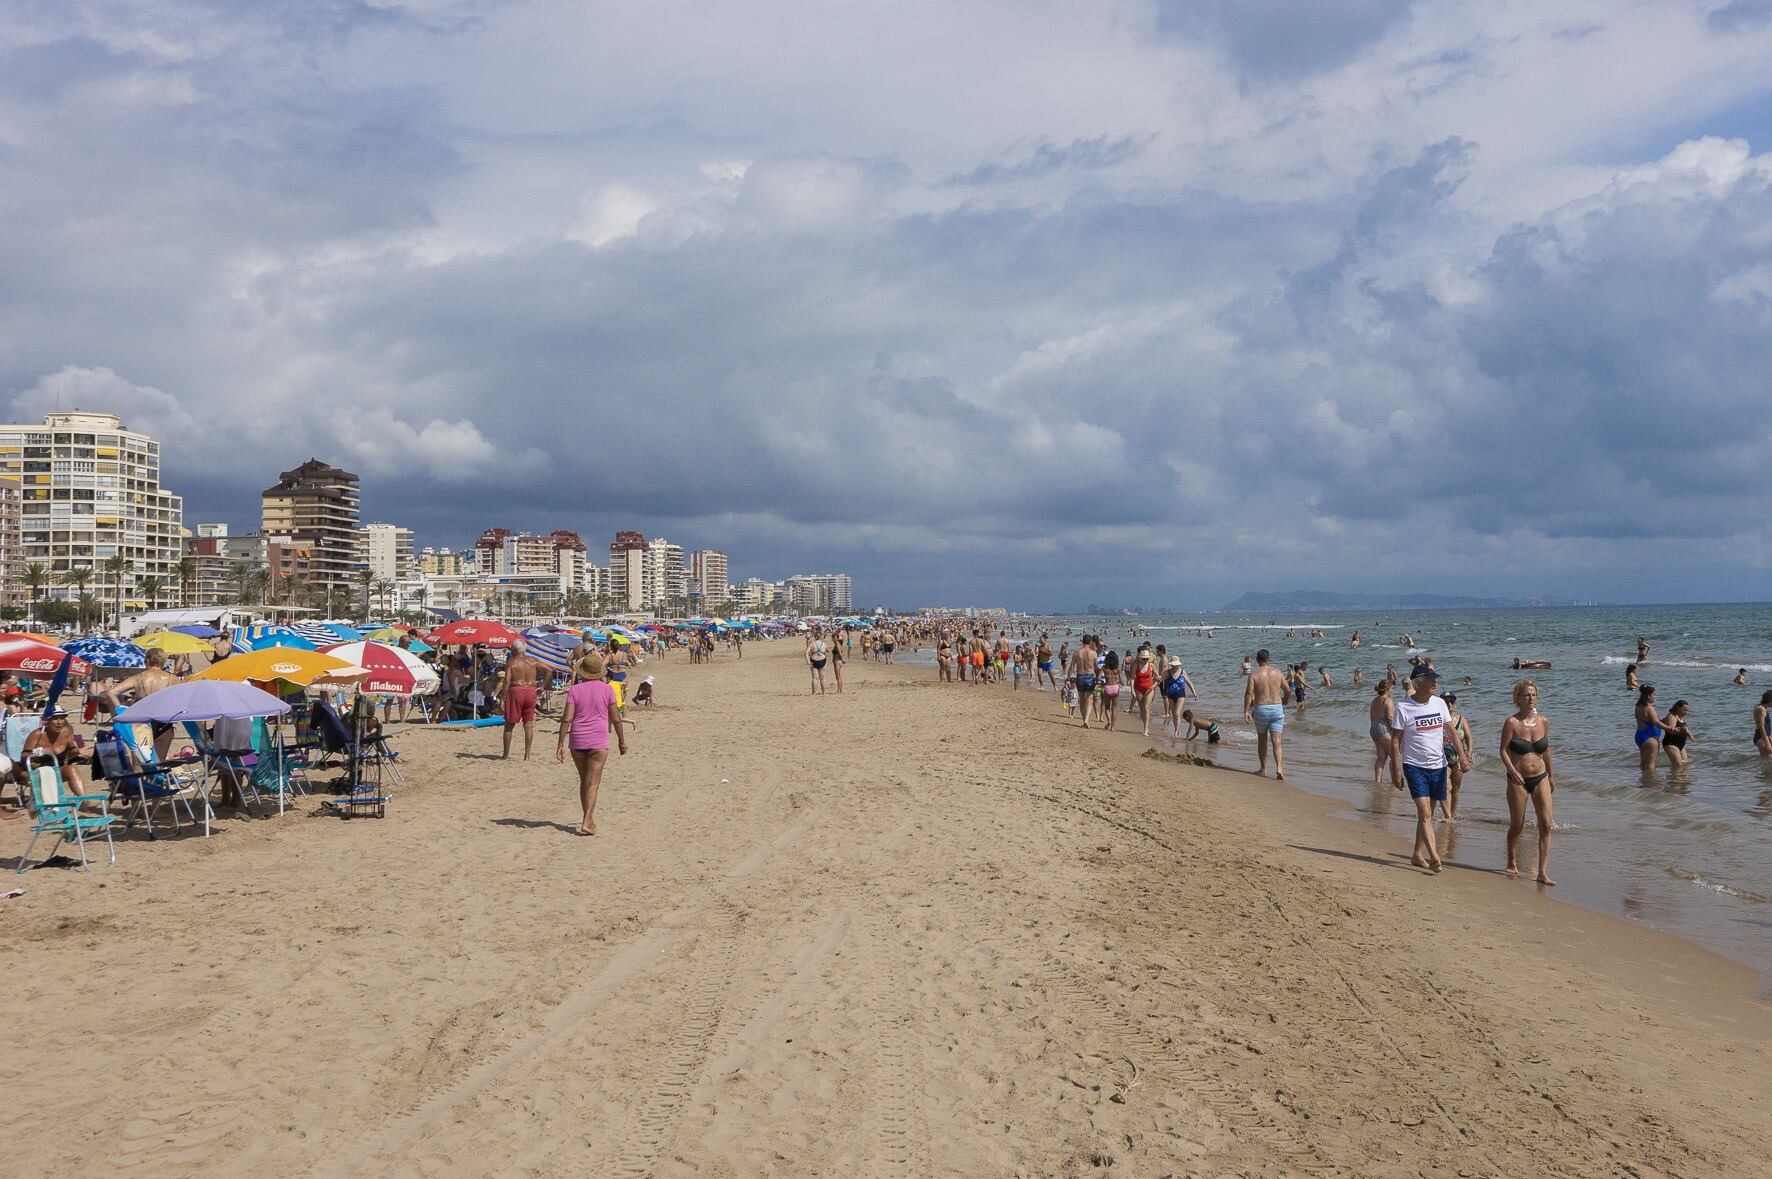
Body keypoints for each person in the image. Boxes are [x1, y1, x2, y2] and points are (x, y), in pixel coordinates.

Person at [1389, 666, 1451, 872]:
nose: (1435, 682)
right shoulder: (1403, 707)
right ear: (1417, 684)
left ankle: (1417, 854)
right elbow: (1395, 740)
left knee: (1428, 814)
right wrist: (1395, 769)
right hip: (1414, 766)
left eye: (1435, 678)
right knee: (1425, 813)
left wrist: (1464, 758)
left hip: (1438, 766)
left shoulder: (1440, 703)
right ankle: (1434, 857)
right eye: (1431, 679)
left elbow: (1450, 730)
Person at [556, 654, 625, 836]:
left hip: (577, 740)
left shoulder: (575, 690)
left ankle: (588, 818)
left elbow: (566, 719)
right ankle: (587, 821)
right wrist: (621, 741)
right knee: (593, 783)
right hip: (598, 741)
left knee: (584, 781)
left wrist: (560, 744)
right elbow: (616, 718)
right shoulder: (607, 689)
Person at [1498, 679, 1555, 885]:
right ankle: (1512, 858)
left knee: (1547, 824)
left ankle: (1542, 872)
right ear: (1518, 699)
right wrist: (1512, 771)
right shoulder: (1511, 722)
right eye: (1526, 695)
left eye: (1533, 695)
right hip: (1518, 779)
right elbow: (1503, 750)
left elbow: (1546, 750)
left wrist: (1552, 774)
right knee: (1517, 825)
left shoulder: (1543, 721)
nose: (1531, 698)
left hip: (1540, 777)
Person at [101, 648, 184, 758]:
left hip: (141, 722)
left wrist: (119, 709)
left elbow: (111, 693)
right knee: (159, 763)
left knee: (139, 761)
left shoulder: (138, 677)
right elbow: (181, 699)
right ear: (163, 662)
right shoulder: (172, 678)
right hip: (163, 723)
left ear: (147, 661)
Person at [19, 707, 92, 799]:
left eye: (62, 718)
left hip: (57, 770)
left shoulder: (67, 733)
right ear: (47, 721)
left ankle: (84, 800)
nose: (59, 722)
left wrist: (78, 753)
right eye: (55, 718)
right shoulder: (37, 735)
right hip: (38, 771)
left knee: (72, 769)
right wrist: (39, 752)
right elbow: (24, 757)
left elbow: (70, 755)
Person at [1242, 649, 1289, 779]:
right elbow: (1288, 690)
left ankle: (1263, 769)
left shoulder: (1254, 674)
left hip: (1261, 709)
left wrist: (1246, 711)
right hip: (1277, 709)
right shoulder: (1278, 672)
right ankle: (1279, 768)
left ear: (1257, 660)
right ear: (1268, 659)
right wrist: (1285, 699)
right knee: (1277, 741)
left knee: (1262, 740)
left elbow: (1249, 693)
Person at [497, 641, 542, 760]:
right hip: (531, 691)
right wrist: (543, 686)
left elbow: (507, 681)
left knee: (509, 725)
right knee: (528, 724)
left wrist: (502, 698)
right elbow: (548, 670)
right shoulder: (533, 661)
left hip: (517, 691)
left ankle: (505, 755)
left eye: (511, 649)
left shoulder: (511, 662)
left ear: (514, 650)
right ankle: (527, 755)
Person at [1439, 692, 1472, 821]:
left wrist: (1468, 754)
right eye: (1446, 702)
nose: (1449, 704)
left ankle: (1451, 815)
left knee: (1456, 789)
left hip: (1458, 760)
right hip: (1442, 760)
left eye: (1451, 701)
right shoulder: (1438, 719)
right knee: (1446, 787)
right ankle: (1447, 816)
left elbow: (1469, 738)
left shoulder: (1462, 720)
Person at [1368, 681, 1395, 786]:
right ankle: (1394, 781)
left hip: (1374, 728)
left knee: (1381, 757)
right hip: (1384, 728)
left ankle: (1378, 780)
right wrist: (1395, 731)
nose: (1392, 690)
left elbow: (1371, 716)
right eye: (1391, 688)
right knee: (1394, 756)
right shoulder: (1387, 700)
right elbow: (1390, 717)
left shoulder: (1374, 700)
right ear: (1387, 689)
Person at [1067, 637, 1098, 728]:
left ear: (1082, 641)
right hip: (1090, 676)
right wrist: (1098, 678)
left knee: (1082, 700)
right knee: (1090, 699)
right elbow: (1096, 667)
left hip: (1080, 676)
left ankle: (1084, 719)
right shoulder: (1093, 653)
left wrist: (1068, 679)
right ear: (1091, 641)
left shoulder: (1077, 652)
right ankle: (1086, 719)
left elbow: (1072, 667)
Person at [1634, 684, 1665, 771]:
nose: (1655, 697)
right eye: (1654, 695)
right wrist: (1670, 728)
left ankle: (1644, 781)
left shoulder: (1638, 706)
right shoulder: (1649, 708)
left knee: (1644, 762)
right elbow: (1656, 723)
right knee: (1651, 764)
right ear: (1648, 696)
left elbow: (1652, 720)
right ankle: (1651, 782)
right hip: (1650, 738)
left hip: (1640, 735)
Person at [1129, 646, 1158, 736]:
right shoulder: (1135, 665)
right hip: (1138, 688)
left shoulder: (1151, 665)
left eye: (1146, 659)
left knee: (1146, 708)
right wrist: (1132, 690)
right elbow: (1132, 678)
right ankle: (1146, 725)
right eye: (1143, 659)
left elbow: (1158, 677)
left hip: (1149, 688)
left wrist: (1154, 685)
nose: (1145, 660)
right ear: (1140, 658)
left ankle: (1145, 730)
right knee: (1142, 710)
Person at [1662, 699, 1693, 770]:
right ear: (1678, 707)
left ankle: (1682, 780)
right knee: (1678, 766)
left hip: (1681, 745)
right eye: (1684, 710)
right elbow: (1671, 731)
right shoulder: (1672, 716)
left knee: (1685, 765)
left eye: (1687, 710)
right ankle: (1674, 780)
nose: (1686, 712)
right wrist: (1680, 729)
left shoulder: (1681, 717)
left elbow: (1685, 728)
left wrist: (1690, 735)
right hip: (1671, 743)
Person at [1101, 650, 1122, 731]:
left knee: (1107, 707)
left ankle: (1109, 721)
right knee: (1114, 708)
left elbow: (1098, 678)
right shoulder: (1117, 669)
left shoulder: (1104, 667)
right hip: (1115, 687)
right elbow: (1120, 680)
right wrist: (1120, 683)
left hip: (1107, 687)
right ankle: (1113, 727)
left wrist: (1101, 684)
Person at [806, 628, 830, 695]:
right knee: (822, 678)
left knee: (814, 678)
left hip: (814, 660)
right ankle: (824, 692)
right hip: (822, 660)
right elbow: (827, 650)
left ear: (814, 637)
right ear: (821, 636)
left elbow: (806, 653)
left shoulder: (812, 644)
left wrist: (808, 661)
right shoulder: (824, 643)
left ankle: (814, 692)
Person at [1756, 691, 1772, 757]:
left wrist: (1770, 739)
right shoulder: (1761, 709)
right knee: (1767, 760)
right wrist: (1767, 743)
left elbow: (1767, 727)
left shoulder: (1763, 708)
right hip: (1761, 737)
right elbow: (1761, 726)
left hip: (1766, 737)